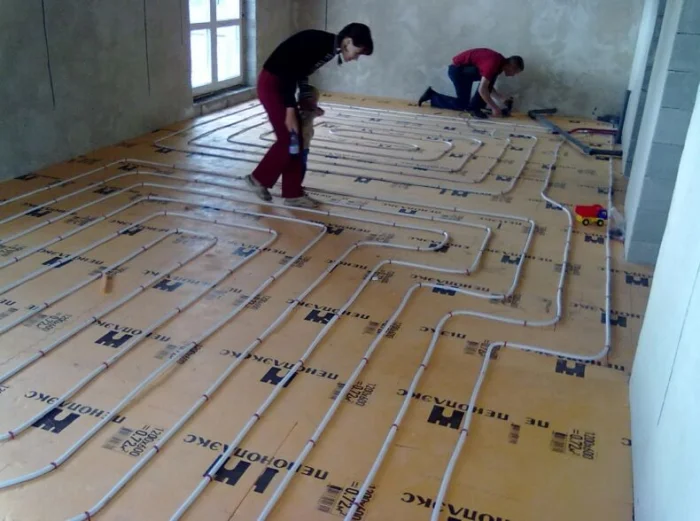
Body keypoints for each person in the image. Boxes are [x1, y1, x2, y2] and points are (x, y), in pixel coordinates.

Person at [245, 23, 374, 208]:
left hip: (282, 86)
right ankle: (257, 179)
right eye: (358, 52)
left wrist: (307, 101)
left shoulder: (328, 49)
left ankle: (293, 194)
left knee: (296, 141)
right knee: (289, 140)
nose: (356, 58)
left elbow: (301, 72)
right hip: (272, 85)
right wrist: (290, 109)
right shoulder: (319, 43)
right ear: (348, 42)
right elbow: (288, 73)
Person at [418, 48, 524, 119]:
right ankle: (432, 96)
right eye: (515, 72)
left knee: (491, 78)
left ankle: (475, 107)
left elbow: (488, 85)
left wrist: (501, 98)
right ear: (511, 66)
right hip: (458, 71)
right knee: (463, 104)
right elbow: (483, 89)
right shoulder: (493, 64)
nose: (513, 75)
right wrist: (494, 107)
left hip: (465, 71)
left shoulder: (499, 64)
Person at [298, 85, 324, 181]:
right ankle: (297, 184)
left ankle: (296, 183)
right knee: (301, 166)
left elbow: (320, 112)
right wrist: (313, 108)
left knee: (298, 165)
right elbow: (320, 112)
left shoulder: (300, 111)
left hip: (302, 145)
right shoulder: (309, 112)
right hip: (303, 146)